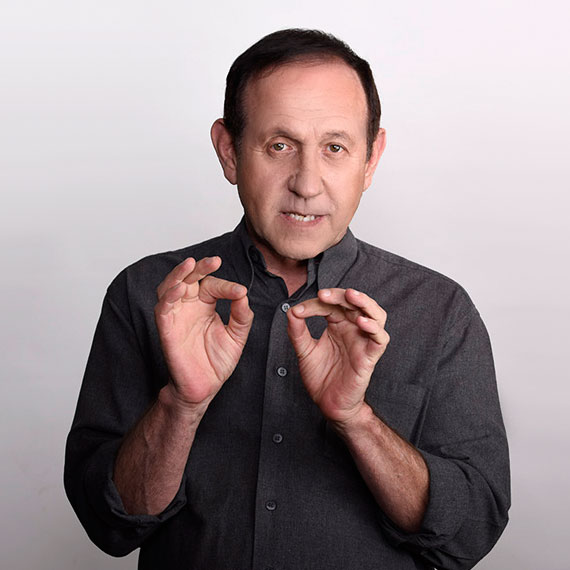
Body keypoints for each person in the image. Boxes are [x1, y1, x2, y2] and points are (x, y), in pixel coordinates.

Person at [65, 29, 510, 570]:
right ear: (229, 151)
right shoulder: (146, 295)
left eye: (335, 148)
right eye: (280, 145)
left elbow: (470, 535)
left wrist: (356, 420)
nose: (307, 183)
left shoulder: (440, 310)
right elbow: (109, 526)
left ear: (371, 158)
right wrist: (181, 406)